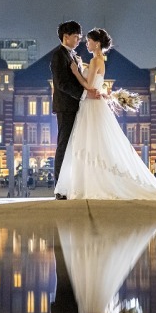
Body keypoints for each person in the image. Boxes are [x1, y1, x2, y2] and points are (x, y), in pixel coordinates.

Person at [54, 28, 156, 201]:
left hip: (90, 105)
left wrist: (76, 72)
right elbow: (96, 85)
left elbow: (89, 85)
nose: (86, 43)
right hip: (93, 104)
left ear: (97, 43)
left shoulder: (95, 61)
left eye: (89, 40)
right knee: (94, 143)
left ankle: (87, 183)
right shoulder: (99, 60)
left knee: (87, 143)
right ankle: (92, 182)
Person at [49, 21, 101, 200]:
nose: (79, 40)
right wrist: (84, 94)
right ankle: (59, 188)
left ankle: (68, 185)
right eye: (76, 37)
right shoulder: (59, 55)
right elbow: (62, 84)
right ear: (66, 37)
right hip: (65, 107)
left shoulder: (71, 55)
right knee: (64, 145)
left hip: (75, 106)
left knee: (72, 146)